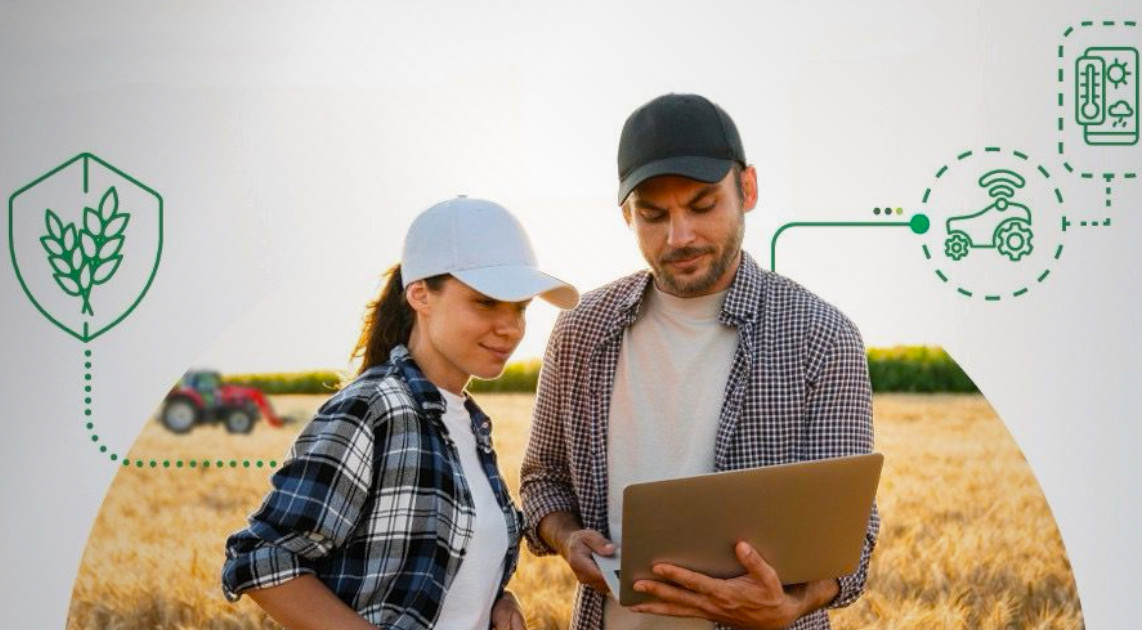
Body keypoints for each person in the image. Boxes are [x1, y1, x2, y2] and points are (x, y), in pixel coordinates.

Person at [520, 93, 878, 630]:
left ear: (748, 189)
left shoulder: (822, 337)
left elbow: (850, 533)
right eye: (653, 214)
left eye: (702, 205)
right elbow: (542, 479)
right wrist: (568, 536)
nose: (678, 236)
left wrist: (792, 605)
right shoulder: (580, 329)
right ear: (626, 215)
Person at [222, 196, 579, 630]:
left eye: (520, 308)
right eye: (486, 302)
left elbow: (436, 565)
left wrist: (496, 600)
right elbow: (260, 557)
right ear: (420, 295)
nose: (511, 327)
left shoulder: (468, 423)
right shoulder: (375, 406)